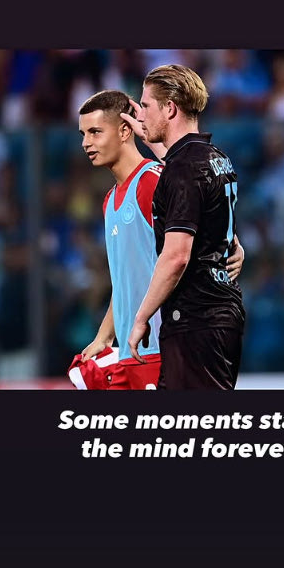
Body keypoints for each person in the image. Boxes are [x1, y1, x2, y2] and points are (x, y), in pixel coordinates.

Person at [77, 89, 244, 390]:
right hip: (130, 351)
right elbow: (128, 280)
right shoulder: (109, 201)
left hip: (161, 346)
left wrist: (230, 240)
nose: (86, 143)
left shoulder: (152, 181)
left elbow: (199, 213)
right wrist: (104, 336)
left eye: (95, 132)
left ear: (125, 130)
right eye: (83, 134)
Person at [127, 65, 246, 390]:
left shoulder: (184, 169)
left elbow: (177, 256)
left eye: (146, 105)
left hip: (195, 316)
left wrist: (142, 317)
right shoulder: (215, 157)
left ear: (169, 108)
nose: (141, 115)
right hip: (220, 310)